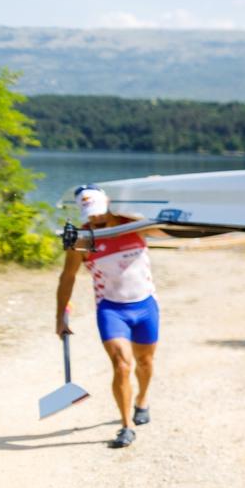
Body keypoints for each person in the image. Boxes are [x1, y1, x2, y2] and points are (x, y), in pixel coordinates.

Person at [55, 185, 162, 449]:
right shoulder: (82, 239)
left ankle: (142, 400)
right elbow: (67, 277)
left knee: (145, 362)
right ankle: (127, 425)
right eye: (89, 214)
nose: (95, 219)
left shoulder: (133, 225)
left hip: (145, 305)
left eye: (99, 212)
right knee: (122, 365)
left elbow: (168, 230)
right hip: (111, 309)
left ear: (109, 204)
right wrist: (60, 316)